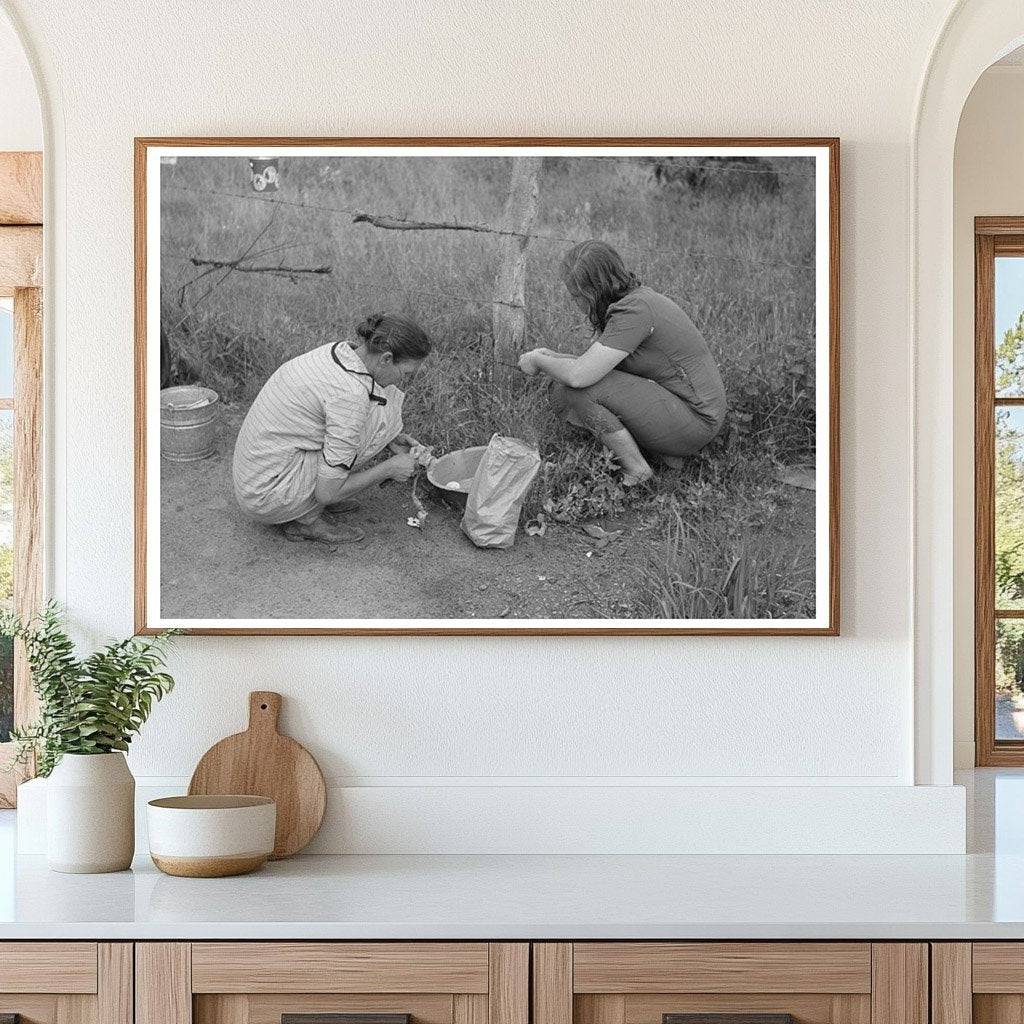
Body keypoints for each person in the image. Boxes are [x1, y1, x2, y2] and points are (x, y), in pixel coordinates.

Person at [518, 240, 727, 485]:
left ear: (592, 291)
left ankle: (637, 470)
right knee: (567, 387)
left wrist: (537, 360)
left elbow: (580, 376)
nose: (575, 304)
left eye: (575, 296)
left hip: (697, 420)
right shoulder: (633, 303)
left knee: (578, 392)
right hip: (685, 410)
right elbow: (595, 366)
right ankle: (660, 452)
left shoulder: (634, 312)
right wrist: (551, 357)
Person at [232, 312, 431, 544]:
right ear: (386, 359)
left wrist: (390, 441)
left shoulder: (340, 351)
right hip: (265, 494)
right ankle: (306, 519)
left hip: (258, 470)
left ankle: (311, 497)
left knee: (379, 414)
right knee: (370, 424)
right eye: (405, 373)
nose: (403, 380)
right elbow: (327, 492)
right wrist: (389, 469)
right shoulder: (350, 395)